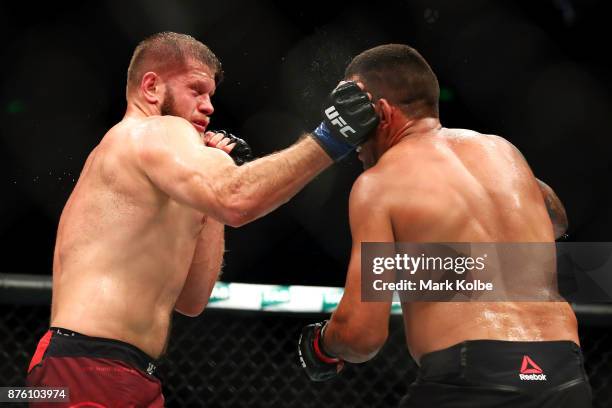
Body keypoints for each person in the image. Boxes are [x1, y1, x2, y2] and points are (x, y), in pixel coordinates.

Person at [26, 31, 378, 407]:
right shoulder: (152, 130)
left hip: (113, 369)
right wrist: (330, 137)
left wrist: (211, 187)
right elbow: (237, 199)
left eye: (211, 95)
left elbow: (193, 300)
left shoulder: (139, 163)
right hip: (90, 368)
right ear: (151, 87)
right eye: (196, 90)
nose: (209, 106)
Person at [298, 44, 592, 407]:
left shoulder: (379, 183)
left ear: (381, 113)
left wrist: (323, 344)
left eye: (354, 117)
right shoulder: (503, 152)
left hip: (473, 380)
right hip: (564, 373)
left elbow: (361, 335)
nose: (353, 142)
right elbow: (557, 220)